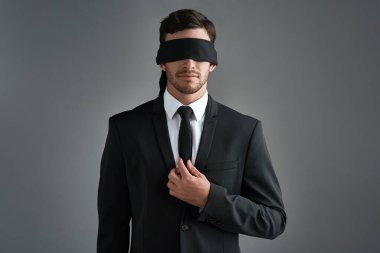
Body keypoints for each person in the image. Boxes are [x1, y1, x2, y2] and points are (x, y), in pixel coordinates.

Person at [97, 9, 286, 253]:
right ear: (162, 62)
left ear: (213, 64)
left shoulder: (244, 131)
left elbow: (273, 220)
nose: (189, 64)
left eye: (198, 54)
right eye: (177, 54)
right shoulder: (125, 129)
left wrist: (209, 198)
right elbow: (112, 226)